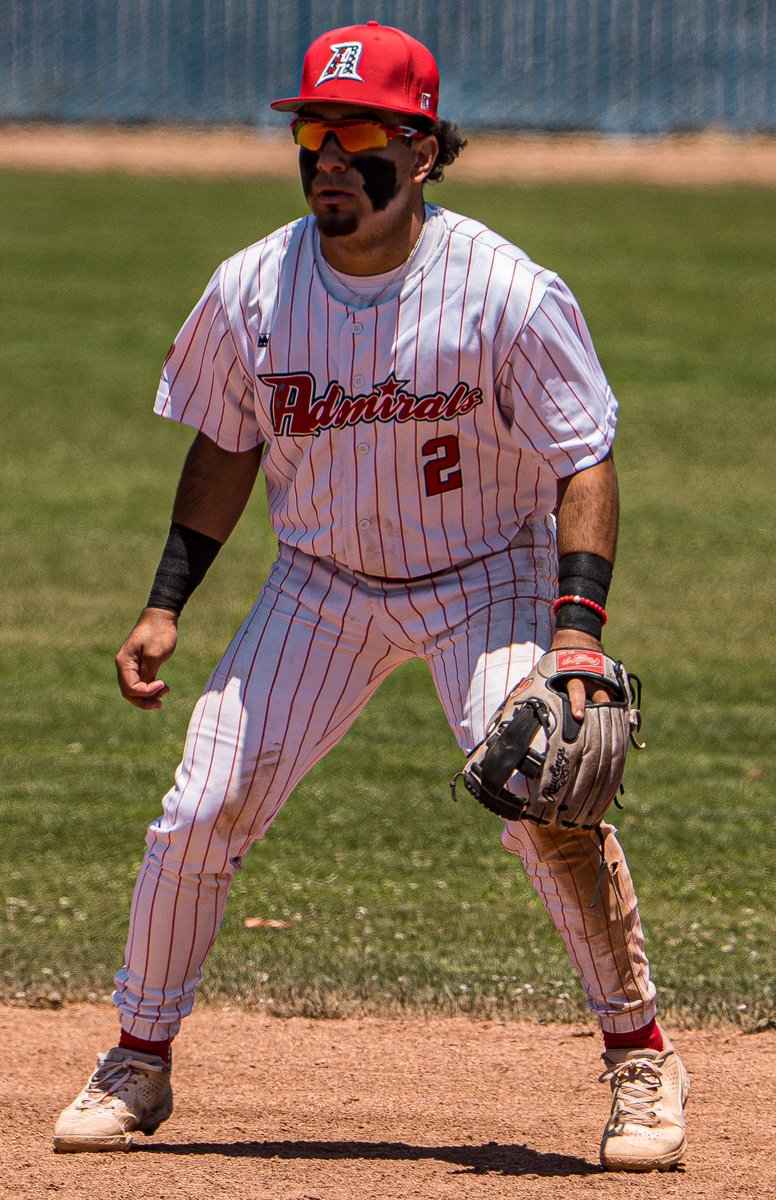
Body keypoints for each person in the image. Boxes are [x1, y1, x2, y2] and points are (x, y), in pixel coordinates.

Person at [53, 21, 689, 1170]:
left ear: (425, 151)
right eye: (311, 133)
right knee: (203, 805)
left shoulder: (504, 289)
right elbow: (225, 444)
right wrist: (166, 603)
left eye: (357, 135)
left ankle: (638, 1058)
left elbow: (582, 456)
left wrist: (576, 636)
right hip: (321, 583)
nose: (329, 158)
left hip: (487, 573)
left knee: (551, 809)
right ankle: (137, 1059)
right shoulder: (252, 288)